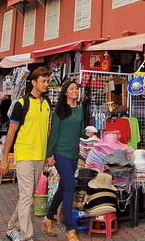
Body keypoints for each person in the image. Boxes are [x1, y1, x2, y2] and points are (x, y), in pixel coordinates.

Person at [1, 66, 52, 241]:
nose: (47, 84)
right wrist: (4, 159)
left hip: (40, 156)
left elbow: (47, 131)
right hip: (24, 156)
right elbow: (11, 132)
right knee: (25, 197)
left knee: (27, 197)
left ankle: (11, 227)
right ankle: (26, 236)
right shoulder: (21, 104)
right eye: (43, 81)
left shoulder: (47, 104)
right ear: (33, 82)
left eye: (48, 81)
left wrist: (48, 154)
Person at [43, 80, 86, 240]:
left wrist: (89, 135)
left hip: (74, 154)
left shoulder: (81, 110)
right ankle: (70, 229)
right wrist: (49, 154)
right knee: (70, 186)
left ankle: (48, 217)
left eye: (76, 89)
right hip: (61, 153)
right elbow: (53, 133)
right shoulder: (59, 111)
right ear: (66, 92)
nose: (75, 91)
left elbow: (80, 131)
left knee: (63, 188)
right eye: (72, 89)